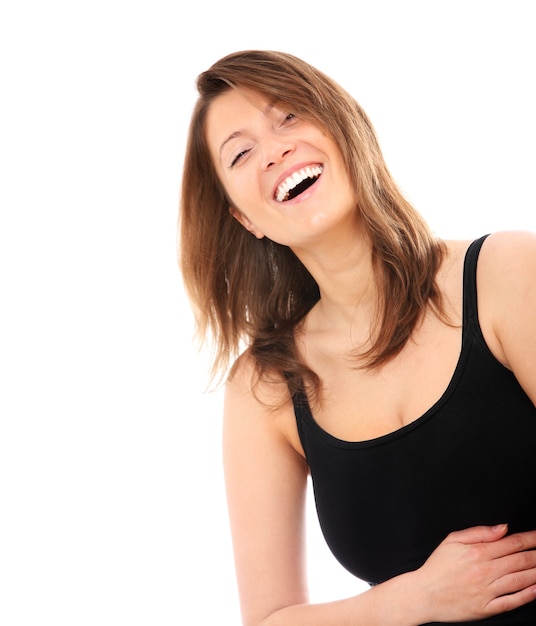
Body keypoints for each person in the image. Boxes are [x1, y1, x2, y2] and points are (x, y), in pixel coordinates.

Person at [179, 50, 536, 625]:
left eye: (290, 117)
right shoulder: (265, 386)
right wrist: (412, 599)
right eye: (241, 153)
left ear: (343, 127)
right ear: (245, 219)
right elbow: (269, 620)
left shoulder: (507, 274)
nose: (275, 150)